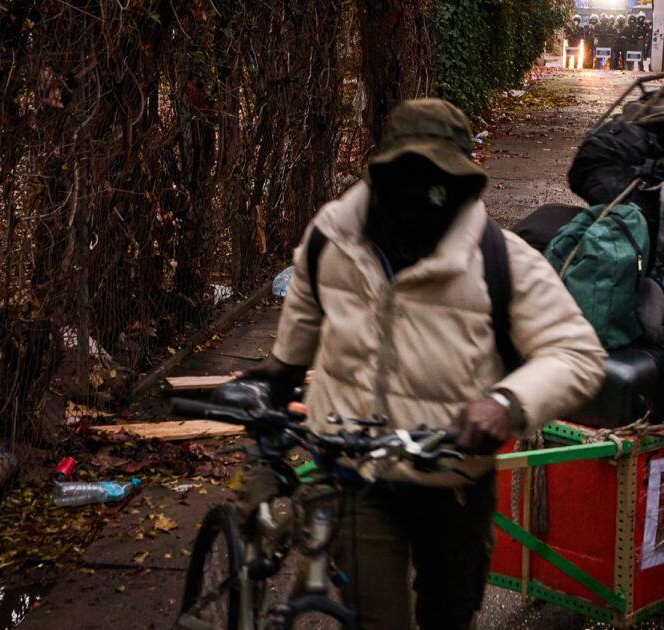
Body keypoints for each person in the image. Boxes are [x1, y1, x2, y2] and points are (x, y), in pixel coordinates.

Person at [242, 98, 607, 629]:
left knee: (450, 616)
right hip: (356, 472)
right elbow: (306, 292)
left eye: (440, 176)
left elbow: (577, 353)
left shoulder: (500, 259)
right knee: (378, 620)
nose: (423, 190)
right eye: (408, 172)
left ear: (463, 183)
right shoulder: (333, 235)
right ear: (381, 168)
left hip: (453, 482)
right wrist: (285, 365)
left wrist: (509, 402)